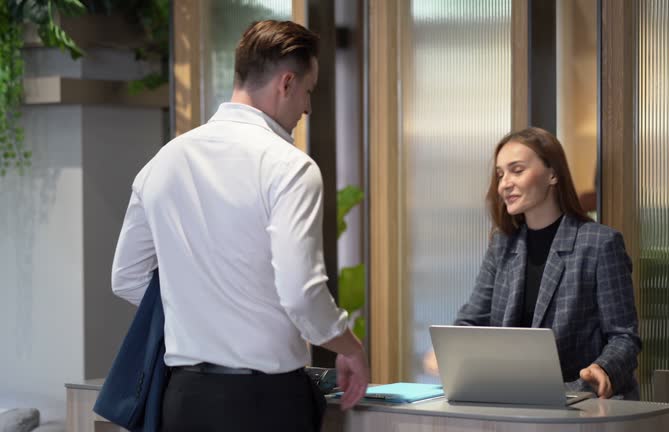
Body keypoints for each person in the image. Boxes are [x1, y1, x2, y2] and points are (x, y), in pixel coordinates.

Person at [111, 20, 369, 431]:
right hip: (264, 404)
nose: (307, 107)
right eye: (308, 91)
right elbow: (302, 295)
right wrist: (349, 346)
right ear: (286, 83)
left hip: (182, 400)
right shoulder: (288, 166)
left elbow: (126, 277)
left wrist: (199, 304)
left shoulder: (162, 163)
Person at [424, 127, 641, 399]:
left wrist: (604, 369)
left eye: (517, 170)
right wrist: (449, 349)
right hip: (516, 400)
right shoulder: (503, 245)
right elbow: (473, 320)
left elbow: (623, 337)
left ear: (553, 174)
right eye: (500, 174)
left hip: (581, 401)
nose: (504, 183)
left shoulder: (600, 244)